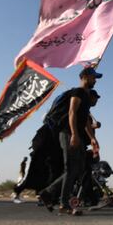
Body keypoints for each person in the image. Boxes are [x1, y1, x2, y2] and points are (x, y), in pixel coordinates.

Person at [39, 67, 101, 215]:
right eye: (93, 77)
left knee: (78, 169)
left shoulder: (85, 96)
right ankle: (63, 204)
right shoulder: (77, 92)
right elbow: (71, 112)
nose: (95, 80)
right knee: (71, 169)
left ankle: (48, 193)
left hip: (77, 135)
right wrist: (73, 134)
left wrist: (92, 138)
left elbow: (85, 120)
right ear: (85, 77)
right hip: (68, 134)